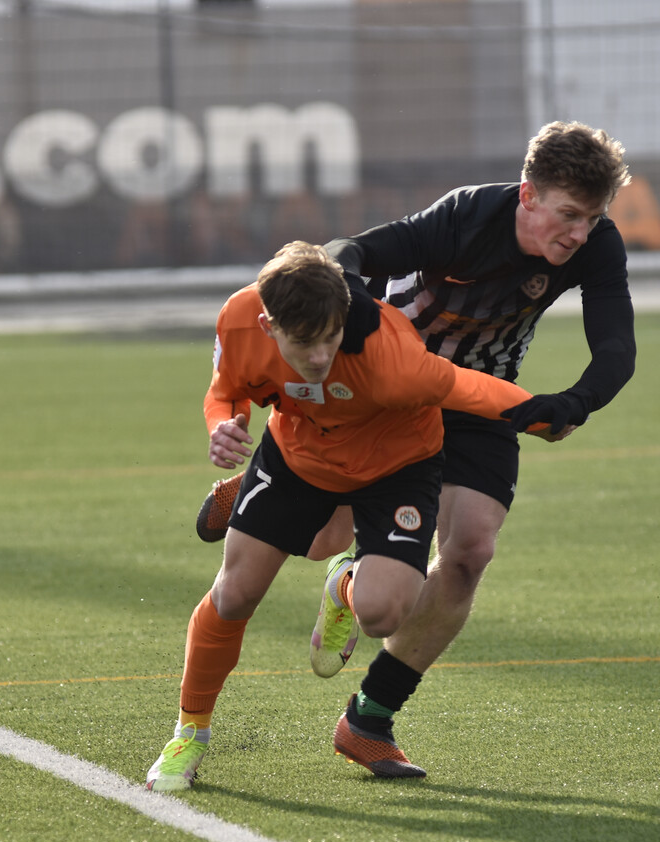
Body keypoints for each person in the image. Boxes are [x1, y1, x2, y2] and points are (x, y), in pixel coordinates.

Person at [193, 121, 636, 778]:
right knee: (316, 539)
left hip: (476, 398)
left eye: (591, 217)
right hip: (385, 395)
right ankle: (279, 495)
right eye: (568, 215)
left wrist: (575, 403)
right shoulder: (464, 219)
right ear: (527, 196)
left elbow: (617, 348)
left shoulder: (596, 246)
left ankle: (369, 716)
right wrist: (364, 318)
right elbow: (345, 252)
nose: (577, 233)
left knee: (470, 554)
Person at [144, 240, 549, 791]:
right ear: (268, 325)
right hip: (299, 457)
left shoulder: (390, 354)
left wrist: (550, 412)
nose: (320, 356)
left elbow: (468, 388)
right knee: (236, 592)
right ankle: (190, 732)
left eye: (332, 337)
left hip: (398, 467)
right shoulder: (238, 321)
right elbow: (227, 391)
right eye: (305, 342)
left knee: (383, 615)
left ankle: (348, 583)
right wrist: (224, 424)